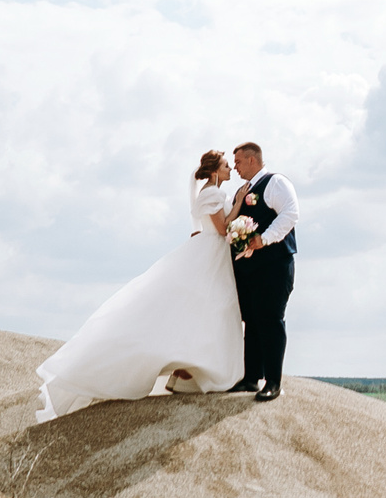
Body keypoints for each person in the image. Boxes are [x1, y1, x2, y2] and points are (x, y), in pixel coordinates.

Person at [31, 149, 246, 422]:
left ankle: (187, 374)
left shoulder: (213, 193)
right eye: (227, 165)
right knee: (209, 309)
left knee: (203, 313)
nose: (231, 169)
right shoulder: (213, 194)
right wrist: (238, 203)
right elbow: (222, 229)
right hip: (211, 255)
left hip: (213, 257)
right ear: (215, 170)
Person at [226, 141, 299, 401]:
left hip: (274, 265)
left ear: (251, 160)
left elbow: (290, 214)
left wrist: (264, 239)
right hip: (248, 269)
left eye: (237, 162)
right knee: (252, 322)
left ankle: (273, 381)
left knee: (270, 319)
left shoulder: (276, 183)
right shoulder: (242, 190)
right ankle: (250, 378)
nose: (234, 167)